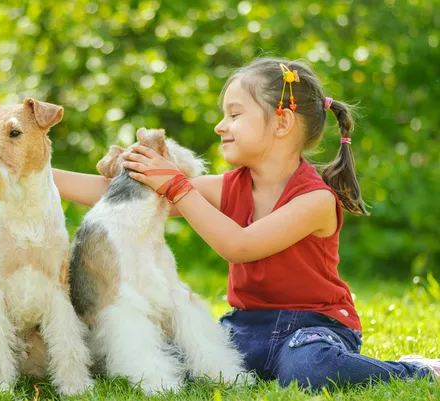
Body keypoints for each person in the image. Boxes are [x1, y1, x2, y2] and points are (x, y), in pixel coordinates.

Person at [53, 57, 439, 389]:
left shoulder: (316, 200)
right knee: (171, 355)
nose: (220, 126)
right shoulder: (229, 186)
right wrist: (39, 175)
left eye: (234, 115)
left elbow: (239, 245)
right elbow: (115, 193)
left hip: (312, 329)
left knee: (308, 368)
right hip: (246, 329)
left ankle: (414, 371)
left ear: (282, 123)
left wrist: (176, 185)